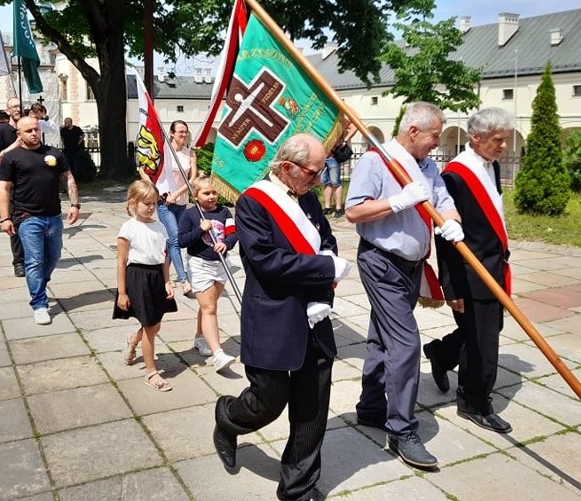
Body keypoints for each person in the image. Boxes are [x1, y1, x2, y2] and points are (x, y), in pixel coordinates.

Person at [213, 134, 351, 501]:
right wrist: (324, 268)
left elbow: (326, 242)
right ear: (287, 168)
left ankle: (298, 487)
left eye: (321, 172)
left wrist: (324, 289)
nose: (318, 180)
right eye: (312, 172)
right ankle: (228, 417)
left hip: (315, 314)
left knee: (313, 405)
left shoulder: (307, 197)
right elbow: (267, 260)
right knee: (267, 401)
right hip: (273, 314)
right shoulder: (253, 203)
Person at [345, 101, 463, 470]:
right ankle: (401, 429)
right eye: (434, 135)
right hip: (381, 263)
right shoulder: (377, 161)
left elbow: (445, 203)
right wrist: (396, 202)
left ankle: (370, 407)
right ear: (413, 131)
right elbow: (353, 211)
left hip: (412, 266)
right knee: (406, 343)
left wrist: (452, 221)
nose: (436, 143)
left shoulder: (428, 166)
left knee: (383, 338)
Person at [427, 108, 515, 434]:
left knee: (482, 330)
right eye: (498, 140)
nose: (503, 147)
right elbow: (446, 237)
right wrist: (452, 288)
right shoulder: (456, 175)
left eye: (505, 140)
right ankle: (475, 402)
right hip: (472, 273)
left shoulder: (490, 166)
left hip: (495, 266)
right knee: (483, 342)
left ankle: (440, 352)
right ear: (475, 138)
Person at [0, 116, 80, 325]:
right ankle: (39, 304)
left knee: (53, 257)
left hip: (53, 215)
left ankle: (39, 285)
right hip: (26, 217)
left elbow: (68, 177)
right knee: (34, 260)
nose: (34, 134)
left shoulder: (54, 153)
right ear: (19, 134)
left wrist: (74, 204)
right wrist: (5, 217)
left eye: (36, 129)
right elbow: (4, 188)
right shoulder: (12, 157)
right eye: (28, 131)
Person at [115, 179, 179, 392]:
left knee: (155, 323)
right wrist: (122, 293)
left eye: (154, 203)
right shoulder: (128, 228)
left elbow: (164, 257)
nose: (151, 207)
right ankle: (151, 372)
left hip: (156, 277)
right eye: (146, 203)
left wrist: (168, 281)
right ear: (134, 202)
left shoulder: (160, 226)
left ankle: (133, 340)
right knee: (150, 326)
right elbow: (121, 262)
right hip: (137, 277)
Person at [177, 175, 239, 373]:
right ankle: (218, 354)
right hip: (199, 264)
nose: (212, 196)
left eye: (214, 192)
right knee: (210, 307)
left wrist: (226, 244)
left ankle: (200, 337)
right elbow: (182, 241)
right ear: (196, 195)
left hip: (220, 264)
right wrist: (200, 229)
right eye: (206, 193)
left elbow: (233, 233)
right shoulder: (190, 215)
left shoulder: (224, 212)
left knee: (208, 306)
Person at [140, 119, 197, 298]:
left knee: (169, 242)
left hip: (181, 201)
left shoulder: (190, 153)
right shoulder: (163, 151)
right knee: (175, 239)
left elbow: (193, 179)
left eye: (185, 131)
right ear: (172, 133)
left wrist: (178, 193)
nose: (183, 134)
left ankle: (163, 276)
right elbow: (143, 169)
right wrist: (155, 191)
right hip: (164, 202)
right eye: (180, 131)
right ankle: (184, 280)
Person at [0, 97, 26, 276]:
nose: (17, 109)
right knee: (15, 223)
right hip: (11, 183)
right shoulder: (1, 132)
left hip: (28, 182)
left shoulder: (28, 129)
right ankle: (19, 261)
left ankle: (33, 257)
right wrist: (13, 146)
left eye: (19, 106)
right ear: (7, 111)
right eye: (13, 106)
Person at [322, 121, 357, 218]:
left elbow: (354, 126)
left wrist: (345, 140)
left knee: (335, 182)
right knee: (326, 182)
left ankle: (338, 208)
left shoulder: (337, 120)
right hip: (322, 155)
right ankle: (327, 207)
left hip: (333, 156)